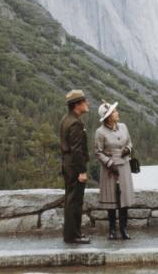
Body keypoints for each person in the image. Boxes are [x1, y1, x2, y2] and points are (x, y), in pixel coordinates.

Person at [95, 101, 134, 240]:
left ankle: (123, 229)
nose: (118, 113)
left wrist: (127, 149)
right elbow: (98, 152)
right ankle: (112, 230)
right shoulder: (100, 132)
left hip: (124, 166)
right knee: (111, 199)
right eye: (115, 111)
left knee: (123, 199)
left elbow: (129, 142)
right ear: (109, 116)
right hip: (109, 169)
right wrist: (110, 163)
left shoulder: (123, 127)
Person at [59, 89, 91, 244]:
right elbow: (76, 150)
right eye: (84, 102)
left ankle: (71, 234)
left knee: (71, 201)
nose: (87, 104)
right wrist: (82, 171)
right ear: (77, 105)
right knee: (75, 202)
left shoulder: (66, 119)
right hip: (74, 167)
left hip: (68, 165)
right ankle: (73, 236)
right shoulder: (75, 123)